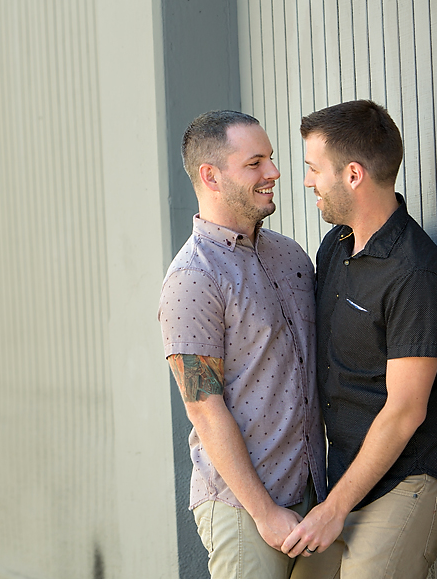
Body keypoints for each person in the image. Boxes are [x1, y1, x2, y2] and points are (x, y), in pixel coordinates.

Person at [282, 100, 437, 578]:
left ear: (354, 174)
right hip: (349, 478)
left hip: (411, 480)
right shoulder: (335, 246)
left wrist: (333, 507)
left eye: (313, 169)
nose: (307, 182)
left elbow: (406, 410)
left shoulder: (414, 272)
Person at [158, 110, 326, 578]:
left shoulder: (290, 255)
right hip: (246, 509)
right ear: (211, 176)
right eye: (255, 163)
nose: (273, 172)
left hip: (316, 500)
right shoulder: (194, 278)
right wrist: (265, 513)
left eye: (270, 159)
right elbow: (203, 409)